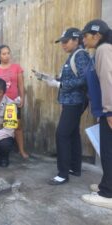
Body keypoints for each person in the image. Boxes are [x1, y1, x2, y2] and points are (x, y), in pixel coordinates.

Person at [45, 28, 89, 185]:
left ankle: (62, 174)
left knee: (62, 135)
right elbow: (75, 77)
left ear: (76, 40)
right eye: (61, 42)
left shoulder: (81, 55)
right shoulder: (74, 55)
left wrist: (59, 84)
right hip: (71, 101)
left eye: (66, 41)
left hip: (75, 101)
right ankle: (75, 167)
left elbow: (84, 79)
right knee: (72, 134)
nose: (63, 45)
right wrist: (55, 80)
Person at [80, 19, 112, 209]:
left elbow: (108, 80)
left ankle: (108, 194)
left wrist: (110, 110)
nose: (83, 39)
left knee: (108, 152)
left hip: (109, 110)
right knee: (108, 151)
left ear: (97, 35)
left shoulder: (103, 49)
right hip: (106, 110)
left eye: (85, 35)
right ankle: (106, 184)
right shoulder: (102, 49)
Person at [0, 45, 29, 159]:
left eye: (8, 53)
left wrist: (22, 98)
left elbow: (21, 84)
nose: (6, 56)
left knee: (17, 127)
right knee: (0, 126)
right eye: (3, 54)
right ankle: (2, 150)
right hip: (0, 103)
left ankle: (21, 150)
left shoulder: (17, 67)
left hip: (14, 103)